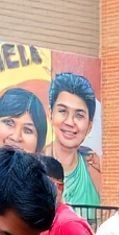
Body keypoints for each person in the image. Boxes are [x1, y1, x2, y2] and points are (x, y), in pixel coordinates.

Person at [45, 72, 102, 207]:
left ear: (89, 126)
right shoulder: (34, 166)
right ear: (50, 114)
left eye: (79, 115)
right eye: (63, 111)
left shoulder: (95, 170)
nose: (70, 122)